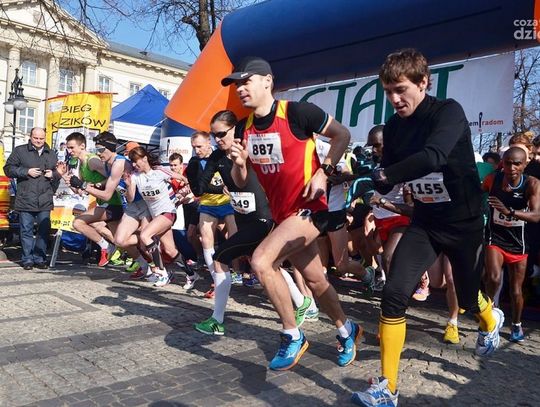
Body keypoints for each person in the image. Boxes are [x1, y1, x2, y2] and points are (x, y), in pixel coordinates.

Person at [351, 49, 503, 407]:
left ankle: (489, 319)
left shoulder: (447, 112)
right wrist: (365, 177)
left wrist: (387, 173)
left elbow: (434, 156)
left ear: (423, 82)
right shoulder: (393, 128)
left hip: (464, 224)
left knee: (467, 298)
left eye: (401, 89)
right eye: (388, 92)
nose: (394, 99)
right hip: (426, 222)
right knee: (394, 293)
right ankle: (388, 389)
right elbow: (388, 179)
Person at [224, 56, 361, 371]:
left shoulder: (297, 112)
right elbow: (241, 181)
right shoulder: (244, 128)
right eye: (236, 84)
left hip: (311, 209)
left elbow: (342, 134)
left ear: (267, 81)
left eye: (246, 81)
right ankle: (347, 329)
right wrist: (240, 163)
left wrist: (324, 172)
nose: (240, 89)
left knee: (261, 261)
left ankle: (292, 334)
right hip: (284, 216)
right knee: (315, 280)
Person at [193, 110, 275, 335]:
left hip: (263, 217)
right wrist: (196, 175)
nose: (217, 139)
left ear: (234, 130)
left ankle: (217, 320)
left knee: (221, 258)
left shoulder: (250, 150)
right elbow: (200, 186)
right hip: (243, 218)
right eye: (214, 135)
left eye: (221, 134)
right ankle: (304, 303)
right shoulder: (216, 157)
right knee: (267, 264)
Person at [483, 147, 540, 342]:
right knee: (493, 278)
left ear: (525, 164)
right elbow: (476, 192)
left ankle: (516, 324)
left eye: (517, 164)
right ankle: (488, 316)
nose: (512, 167)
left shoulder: (532, 184)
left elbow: (536, 215)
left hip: (518, 242)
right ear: (503, 163)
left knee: (516, 290)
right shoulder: (493, 179)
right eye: (508, 163)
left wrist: (510, 212)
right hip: (496, 237)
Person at [186, 131, 237, 291]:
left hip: (228, 203)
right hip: (208, 204)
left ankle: (240, 271)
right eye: (194, 147)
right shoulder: (194, 163)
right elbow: (197, 190)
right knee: (206, 241)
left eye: (199, 146)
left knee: (234, 238)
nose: (197, 150)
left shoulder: (222, 155)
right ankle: (217, 279)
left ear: (209, 142)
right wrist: (219, 188)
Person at [4, 127, 61, 269]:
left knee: (44, 230)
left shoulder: (51, 153)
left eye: (41, 138)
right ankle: (27, 259)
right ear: (30, 137)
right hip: (26, 198)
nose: (39, 141)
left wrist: (53, 175)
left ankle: (40, 258)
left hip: (44, 198)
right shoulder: (20, 151)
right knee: (26, 230)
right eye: (36, 138)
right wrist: (26, 171)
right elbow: (8, 169)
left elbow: (58, 174)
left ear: (45, 138)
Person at [125, 147, 181, 287]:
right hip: (156, 215)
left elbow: (183, 179)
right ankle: (191, 274)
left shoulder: (159, 171)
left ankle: (162, 273)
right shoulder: (135, 176)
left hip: (168, 212)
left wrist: (180, 195)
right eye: (132, 162)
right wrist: (128, 185)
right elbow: (130, 199)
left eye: (136, 161)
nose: (134, 164)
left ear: (144, 158)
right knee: (170, 250)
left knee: (145, 236)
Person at [67, 132, 125, 267]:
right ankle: (145, 263)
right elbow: (81, 191)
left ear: (82, 146)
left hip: (113, 202)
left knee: (78, 223)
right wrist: (66, 177)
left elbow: (113, 177)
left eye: (72, 147)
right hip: (104, 202)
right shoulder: (81, 164)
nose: (69, 151)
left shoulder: (92, 161)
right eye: (68, 148)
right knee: (121, 240)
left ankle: (106, 247)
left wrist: (97, 184)